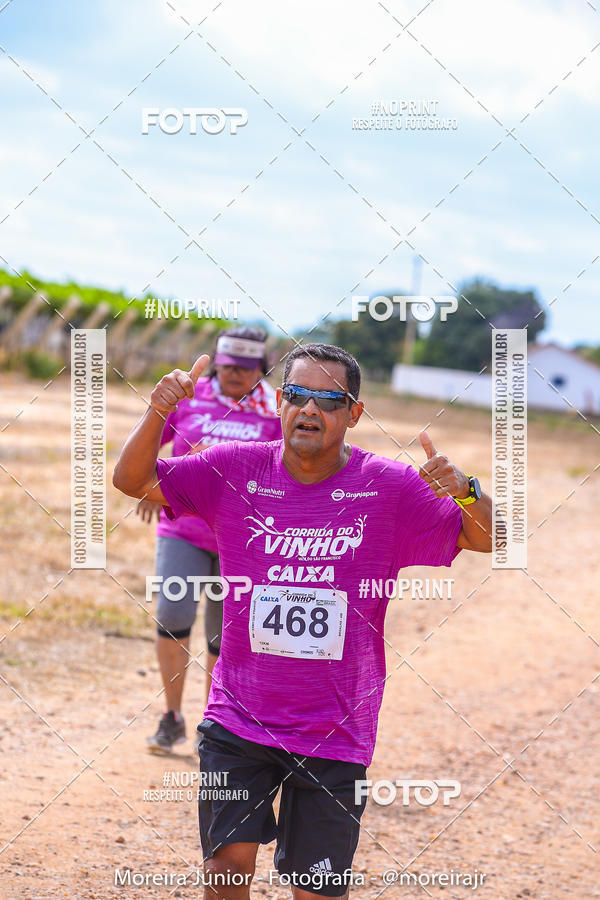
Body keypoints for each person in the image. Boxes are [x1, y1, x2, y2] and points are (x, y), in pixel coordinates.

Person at [113, 343, 493, 899]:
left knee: (315, 890)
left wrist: (468, 490)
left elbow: (488, 538)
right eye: (296, 394)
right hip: (238, 718)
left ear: (354, 413)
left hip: (335, 730)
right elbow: (132, 480)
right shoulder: (233, 468)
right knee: (225, 872)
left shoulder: (388, 488)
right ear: (279, 403)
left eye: (328, 400)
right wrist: (158, 410)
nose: (309, 409)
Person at [140, 326, 281, 754]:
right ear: (217, 361)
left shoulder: (275, 409)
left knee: (223, 637)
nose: (236, 373)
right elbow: (150, 439)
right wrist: (149, 483)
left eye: (246, 367)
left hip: (240, 540)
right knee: (172, 614)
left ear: (262, 367)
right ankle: (171, 717)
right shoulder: (190, 395)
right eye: (229, 365)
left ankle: (212, 726)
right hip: (182, 529)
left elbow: (284, 470)